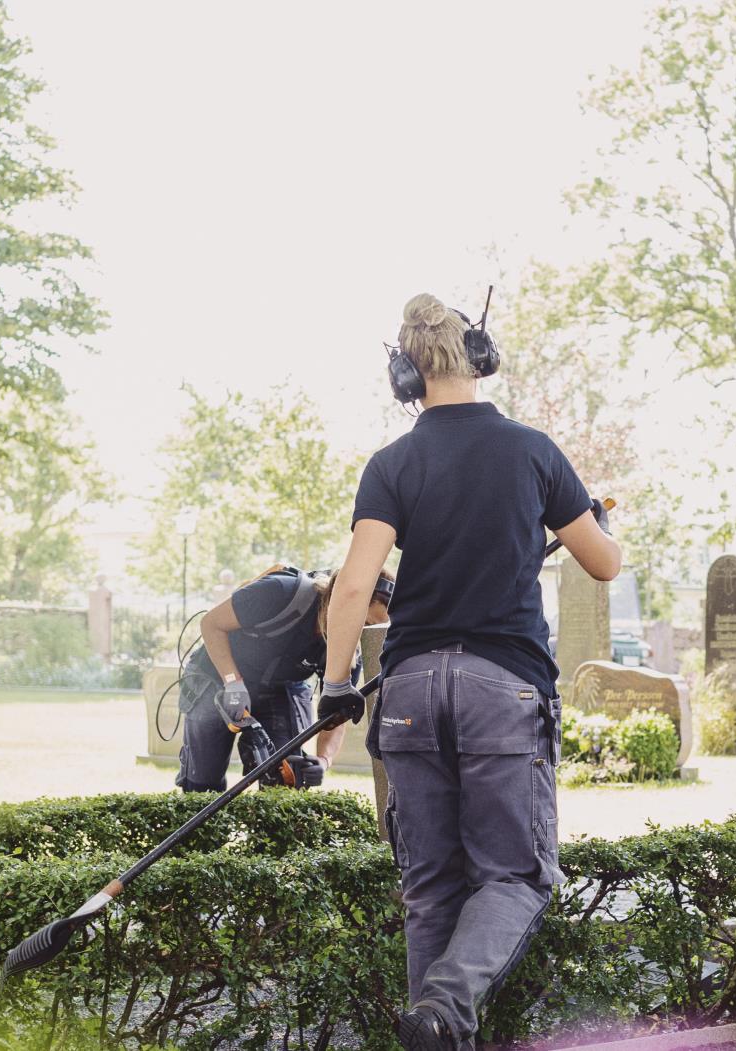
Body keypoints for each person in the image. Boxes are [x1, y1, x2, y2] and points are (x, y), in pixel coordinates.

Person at [316, 293, 620, 1051]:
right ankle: (448, 1006)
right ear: (478, 356)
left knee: (430, 889)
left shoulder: (392, 464)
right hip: (503, 686)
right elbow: (602, 562)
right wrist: (596, 520)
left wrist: (334, 683)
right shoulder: (533, 451)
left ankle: (433, 1025)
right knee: (517, 877)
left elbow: (354, 585)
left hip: (411, 689)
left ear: (406, 374)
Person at [176, 565, 394, 793]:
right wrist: (233, 682)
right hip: (218, 673)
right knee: (202, 780)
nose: (362, 634)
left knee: (289, 777)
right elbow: (211, 624)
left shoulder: (350, 652)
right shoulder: (280, 592)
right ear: (344, 598)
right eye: (366, 623)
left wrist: (323, 760)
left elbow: (337, 714)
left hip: (281, 686)